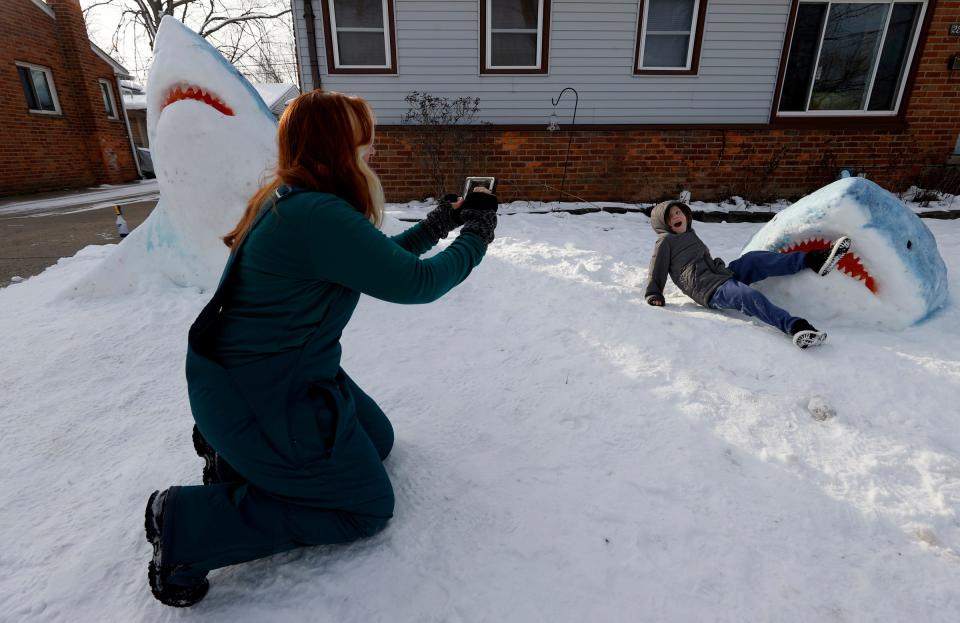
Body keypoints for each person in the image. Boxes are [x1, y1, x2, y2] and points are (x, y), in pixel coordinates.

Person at [143, 90, 499, 607]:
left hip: (271, 380)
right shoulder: (314, 215)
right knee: (365, 505)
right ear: (340, 145)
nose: (371, 148)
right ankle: (185, 525)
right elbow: (416, 283)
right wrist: (479, 236)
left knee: (376, 440)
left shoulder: (296, 201)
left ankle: (239, 459)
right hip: (262, 396)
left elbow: (377, 262)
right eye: (364, 138)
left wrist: (440, 224)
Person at [644, 200, 850, 349]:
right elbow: (657, 267)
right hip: (708, 289)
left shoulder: (690, 233)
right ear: (664, 225)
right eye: (670, 217)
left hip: (721, 275)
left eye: (678, 212)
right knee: (747, 296)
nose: (676, 217)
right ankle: (795, 327)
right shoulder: (665, 242)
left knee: (753, 259)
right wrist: (654, 293)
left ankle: (813, 260)